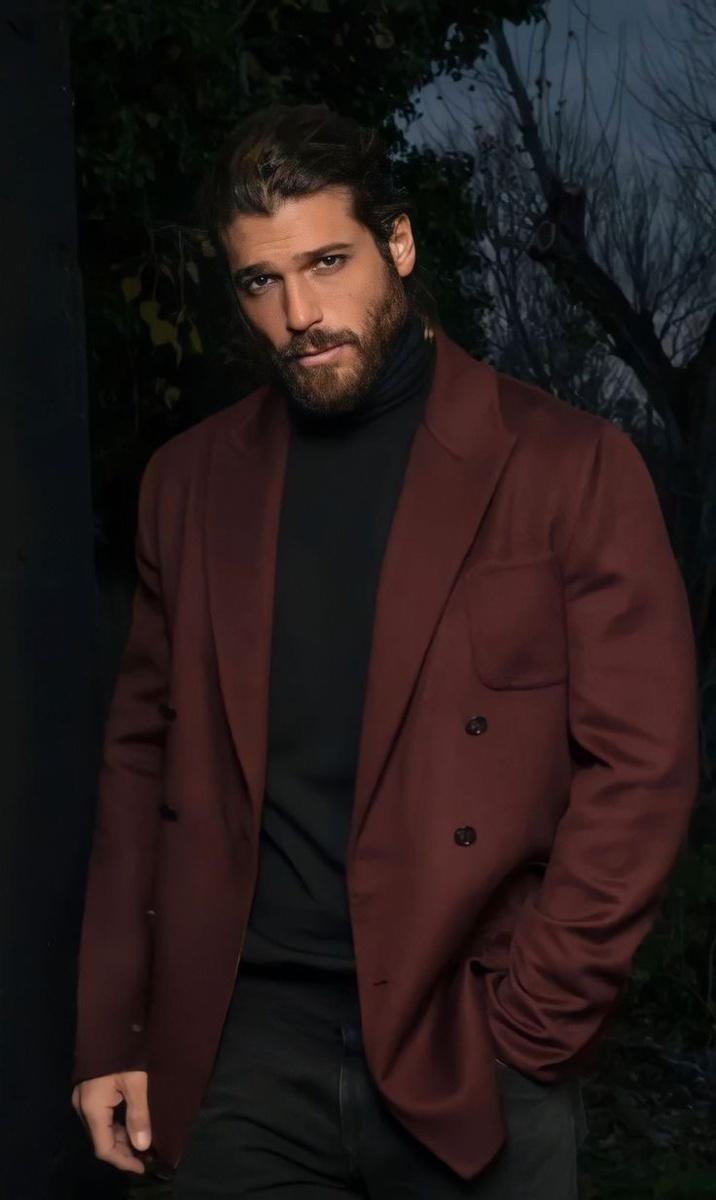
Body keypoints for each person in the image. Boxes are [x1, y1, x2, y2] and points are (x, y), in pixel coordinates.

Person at [71, 104, 699, 1199]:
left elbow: (643, 768)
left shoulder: (568, 466)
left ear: (397, 244)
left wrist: (535, 1024)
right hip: (241, 1057)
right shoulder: (188, 484)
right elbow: (139, 767)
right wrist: (114, 1028)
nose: (299, 315)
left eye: (327, 262)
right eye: (261, 282)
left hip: (472, 1040)